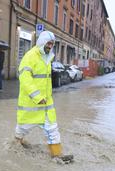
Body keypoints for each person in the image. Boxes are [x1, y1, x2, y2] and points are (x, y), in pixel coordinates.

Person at [14, 31, 73, 163]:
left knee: (53, 129)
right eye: (48, 43)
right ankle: (15, 146)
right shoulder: (30, 57)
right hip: (30, 105)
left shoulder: (48, 57)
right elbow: (24, 79)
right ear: (42, 42)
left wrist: (44, 99)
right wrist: (37, 97)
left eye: (52, 44)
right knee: (22, 129)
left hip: (46, 105)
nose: (50, 46)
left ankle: (57, 156)